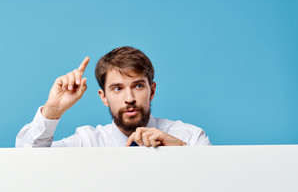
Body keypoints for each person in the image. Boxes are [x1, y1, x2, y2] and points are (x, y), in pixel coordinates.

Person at [16, 46, 211, 147]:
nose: (129, 98)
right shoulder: (88, 142)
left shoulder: (189, 137)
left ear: (152, 91)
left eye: (138, 86)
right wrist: (52, 111)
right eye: (117, 88)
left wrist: (184, 152)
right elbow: (25, 161)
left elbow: (219, 187)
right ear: (103, 96)